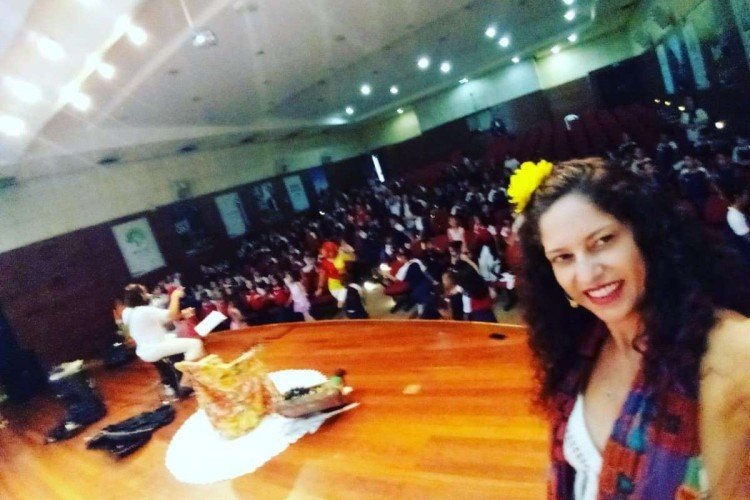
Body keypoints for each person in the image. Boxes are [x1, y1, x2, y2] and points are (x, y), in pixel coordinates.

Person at [508, 158, 750, 498]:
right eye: (563, 257)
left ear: (646, 237)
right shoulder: (582, 346)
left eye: (603, 241)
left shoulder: (735, 350)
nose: (587, 274)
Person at [122, 284, 205, 398]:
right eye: (145, 292)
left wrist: (182, 314)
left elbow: (159, 321)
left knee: (177, 339)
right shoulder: (144, 310)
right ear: (141, 295)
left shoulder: (126, 312)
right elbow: (171, 315)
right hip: (156, 348)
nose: (148, 294)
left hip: (144, 350)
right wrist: (175, 296)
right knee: (195, 344)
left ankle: (177, 382)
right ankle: (185, 383)